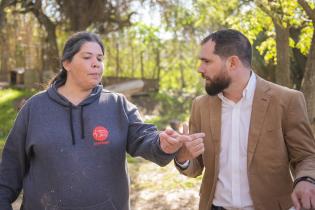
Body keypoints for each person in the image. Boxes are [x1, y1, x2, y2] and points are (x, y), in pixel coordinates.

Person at [0, 31, 204, 210]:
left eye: (100, 58)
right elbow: (10, 168)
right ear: (67, 63)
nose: (96, 63)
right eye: (87, 57)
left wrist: (162, 143)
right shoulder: (35, 108)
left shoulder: (116, 105)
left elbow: (144, 138)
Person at [174, 29, 315, 210]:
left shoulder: (287, 100)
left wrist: (306, 180)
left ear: (233, 62)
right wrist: (183, 157)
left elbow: (306, 156)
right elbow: (196, 166)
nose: (200, 68)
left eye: (206, 61)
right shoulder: (200, 106)